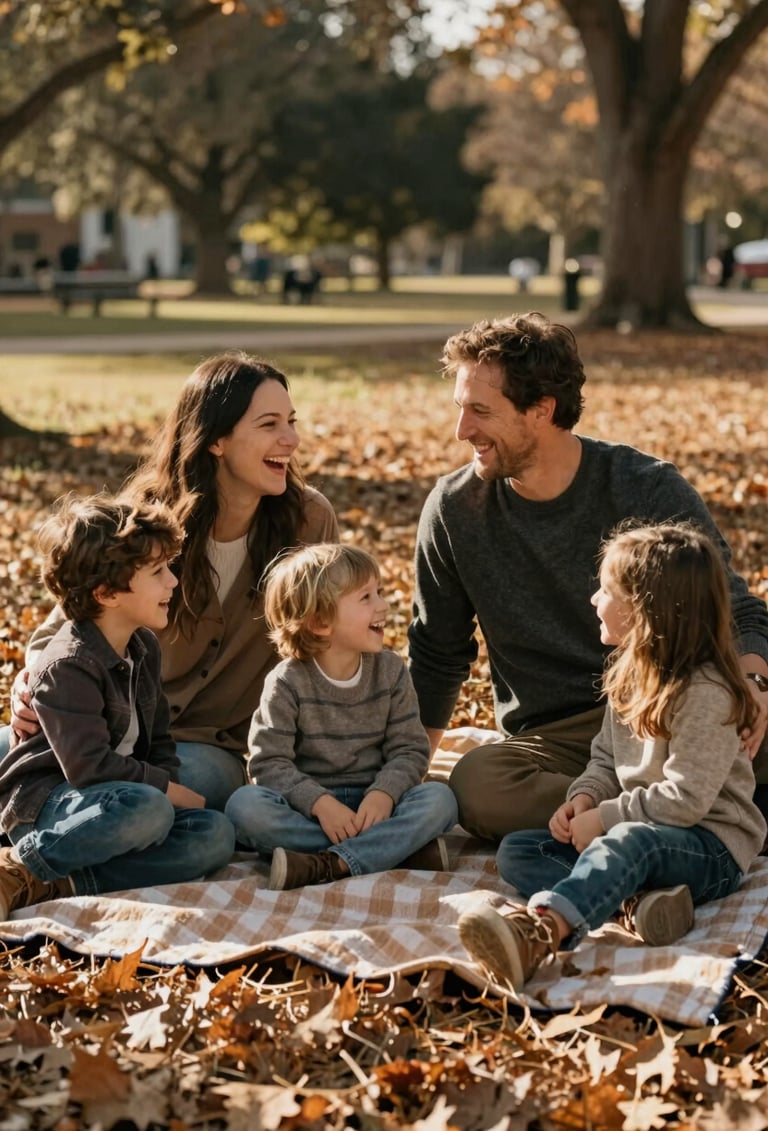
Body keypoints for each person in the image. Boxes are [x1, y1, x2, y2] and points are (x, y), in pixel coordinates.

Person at [408, 313, 768, 840]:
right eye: (460, 408)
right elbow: (437, 653)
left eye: (481, 411)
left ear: (542, 409)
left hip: (673, 706)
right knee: (478, 785)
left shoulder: (644, 486)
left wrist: (755, 685)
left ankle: (674, 805)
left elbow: (735, 608)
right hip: (558, 738)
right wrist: (404, 782)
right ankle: (689, 810)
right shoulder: (453, 510)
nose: (462, 430)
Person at [6, 352, 339, 811]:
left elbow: (325, 645)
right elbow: (65, 626)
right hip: (99, 728)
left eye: (291, 422)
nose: (292, 439)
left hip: (205, 748)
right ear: (216, 439)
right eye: (269, 424)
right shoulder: (144, 515)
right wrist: (31, 685)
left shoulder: (309, 521)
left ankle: (55, 828)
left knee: (164, 793)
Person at [457, 523, 767, 990]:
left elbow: (687, 801)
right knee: (519, 850)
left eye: (605, 591)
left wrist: (605, 818)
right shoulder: (630, 673)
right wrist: (584, 797)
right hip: (640, 831)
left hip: (709, 846)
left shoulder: (707, 693)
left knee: (629, 842)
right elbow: (605, 758)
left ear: (643, 610)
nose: (593, 600)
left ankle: (541, 932)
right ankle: (638, 906)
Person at [0, 495, 235, 921]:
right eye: (158, 572)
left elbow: (158, 740)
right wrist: (167, 792)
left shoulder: (143, 646)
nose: (173, 582)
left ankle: (62, 882)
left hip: (119, 799)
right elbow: (89, 767)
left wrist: (169, 785)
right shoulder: (68, 664)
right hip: (52, 803)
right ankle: (20, 866)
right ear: (107, 593)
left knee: (214, 835)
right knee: (149, 809)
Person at [225, 543, 458, 890]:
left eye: (379, 592)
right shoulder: (287, 682)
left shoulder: (391, 671)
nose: (383, 605)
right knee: (244, 807)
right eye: (366, 597)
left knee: (441, 800)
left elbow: (410, 749)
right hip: (312, 812)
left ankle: (328, 863)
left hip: (377, 806)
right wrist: (320, 803)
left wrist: (384, 794)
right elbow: (269, 763)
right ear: (320, 622)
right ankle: (395, 851)